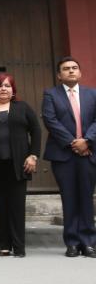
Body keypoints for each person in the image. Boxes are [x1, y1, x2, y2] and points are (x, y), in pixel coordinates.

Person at [0, 73, 41, 257]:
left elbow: (36, 131)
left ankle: (19, 247)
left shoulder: (23, 108)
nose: (4, 89)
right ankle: (5, 245)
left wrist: (33, 156)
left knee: (17, 207)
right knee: (1, 206)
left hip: (19, 165)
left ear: (13, 90)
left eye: (8, 86)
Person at [42, 56, 96, 258]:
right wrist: (74, 143)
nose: (71, 71)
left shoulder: (93, 94)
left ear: (80, 73)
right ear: (59, 75)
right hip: (63, 154)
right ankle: (72, 242)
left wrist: (87, 141)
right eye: (66, 69)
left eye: (74, 68)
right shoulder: (50, 94)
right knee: (70, 198)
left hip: (89, 152)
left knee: (86, 197)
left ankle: (89, 242)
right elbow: (50, 120)